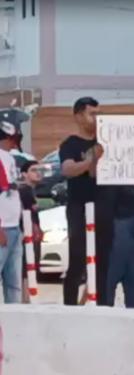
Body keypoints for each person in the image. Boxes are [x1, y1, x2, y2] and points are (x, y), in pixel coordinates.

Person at [59, 97, 114, 306]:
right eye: (92, 114)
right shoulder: (71, 144)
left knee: (104, 260)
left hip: (104, 205)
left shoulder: (105, 143)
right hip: (79, 207)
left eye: (98, 114)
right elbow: (68, 169)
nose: (96, 118)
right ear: (78, 116)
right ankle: (70, 305)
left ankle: (102, 304)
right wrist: (91, 160)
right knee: (78, 258)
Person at [105, 185, 134, 308]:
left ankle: (131, 313)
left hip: (131, 222)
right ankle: (107, 311)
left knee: (131, 277)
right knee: (115, 275)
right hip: (120, 220)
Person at [0, 117, 23, 303]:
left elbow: (13, 190)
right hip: (3, 227)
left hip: (14, 225)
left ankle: (13, 324)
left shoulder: (10, 158)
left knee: (14, 284)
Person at [19, 161, 43, 303]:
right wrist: (35, 228)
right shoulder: (24, 191)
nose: (38, 173)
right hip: (26, 236)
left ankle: (27, 298)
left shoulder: (30, 191)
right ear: (24, 174)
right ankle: (26, 300)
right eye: (33, 170)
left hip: (30, 235)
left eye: (39, 170)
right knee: (27, 267)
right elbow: (27, 213)